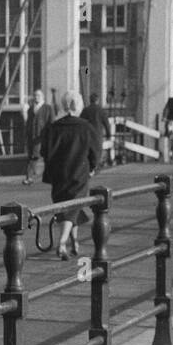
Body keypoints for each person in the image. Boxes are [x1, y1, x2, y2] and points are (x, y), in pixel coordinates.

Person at [41, 90, 101, 260]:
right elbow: (96, 151)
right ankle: (61, 243)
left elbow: (45, 151)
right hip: (79, 173)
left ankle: (74, 241)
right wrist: (93, 167)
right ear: (77, 105)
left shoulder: (53, 128)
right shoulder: (86, 127)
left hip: (58, 175)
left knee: (65, 207)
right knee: (73, 206)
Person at [22, 88, 53, 184]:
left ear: (42, 97)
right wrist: (27, 135)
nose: (36, 97)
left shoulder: (47, 108)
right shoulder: (31, 109)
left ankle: (30, 177)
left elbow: (51, 121)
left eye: (38, 95)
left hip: (42, 136)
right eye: (35, 95)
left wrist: (50, 134)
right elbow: (28, 123)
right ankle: (29, 177)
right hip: (32, 137)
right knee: (32, 155)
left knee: (36, 155)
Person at [80, 92, 114, 168]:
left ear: (90, 100)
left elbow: (80, 122)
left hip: (88, 134)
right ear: (97, 100)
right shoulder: (101, 110)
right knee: (97, 151)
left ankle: (89, 166)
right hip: (98, 134)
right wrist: (109, 134)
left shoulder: (85, 110)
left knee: (88, 150)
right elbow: (106, 123)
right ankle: (95, 166)